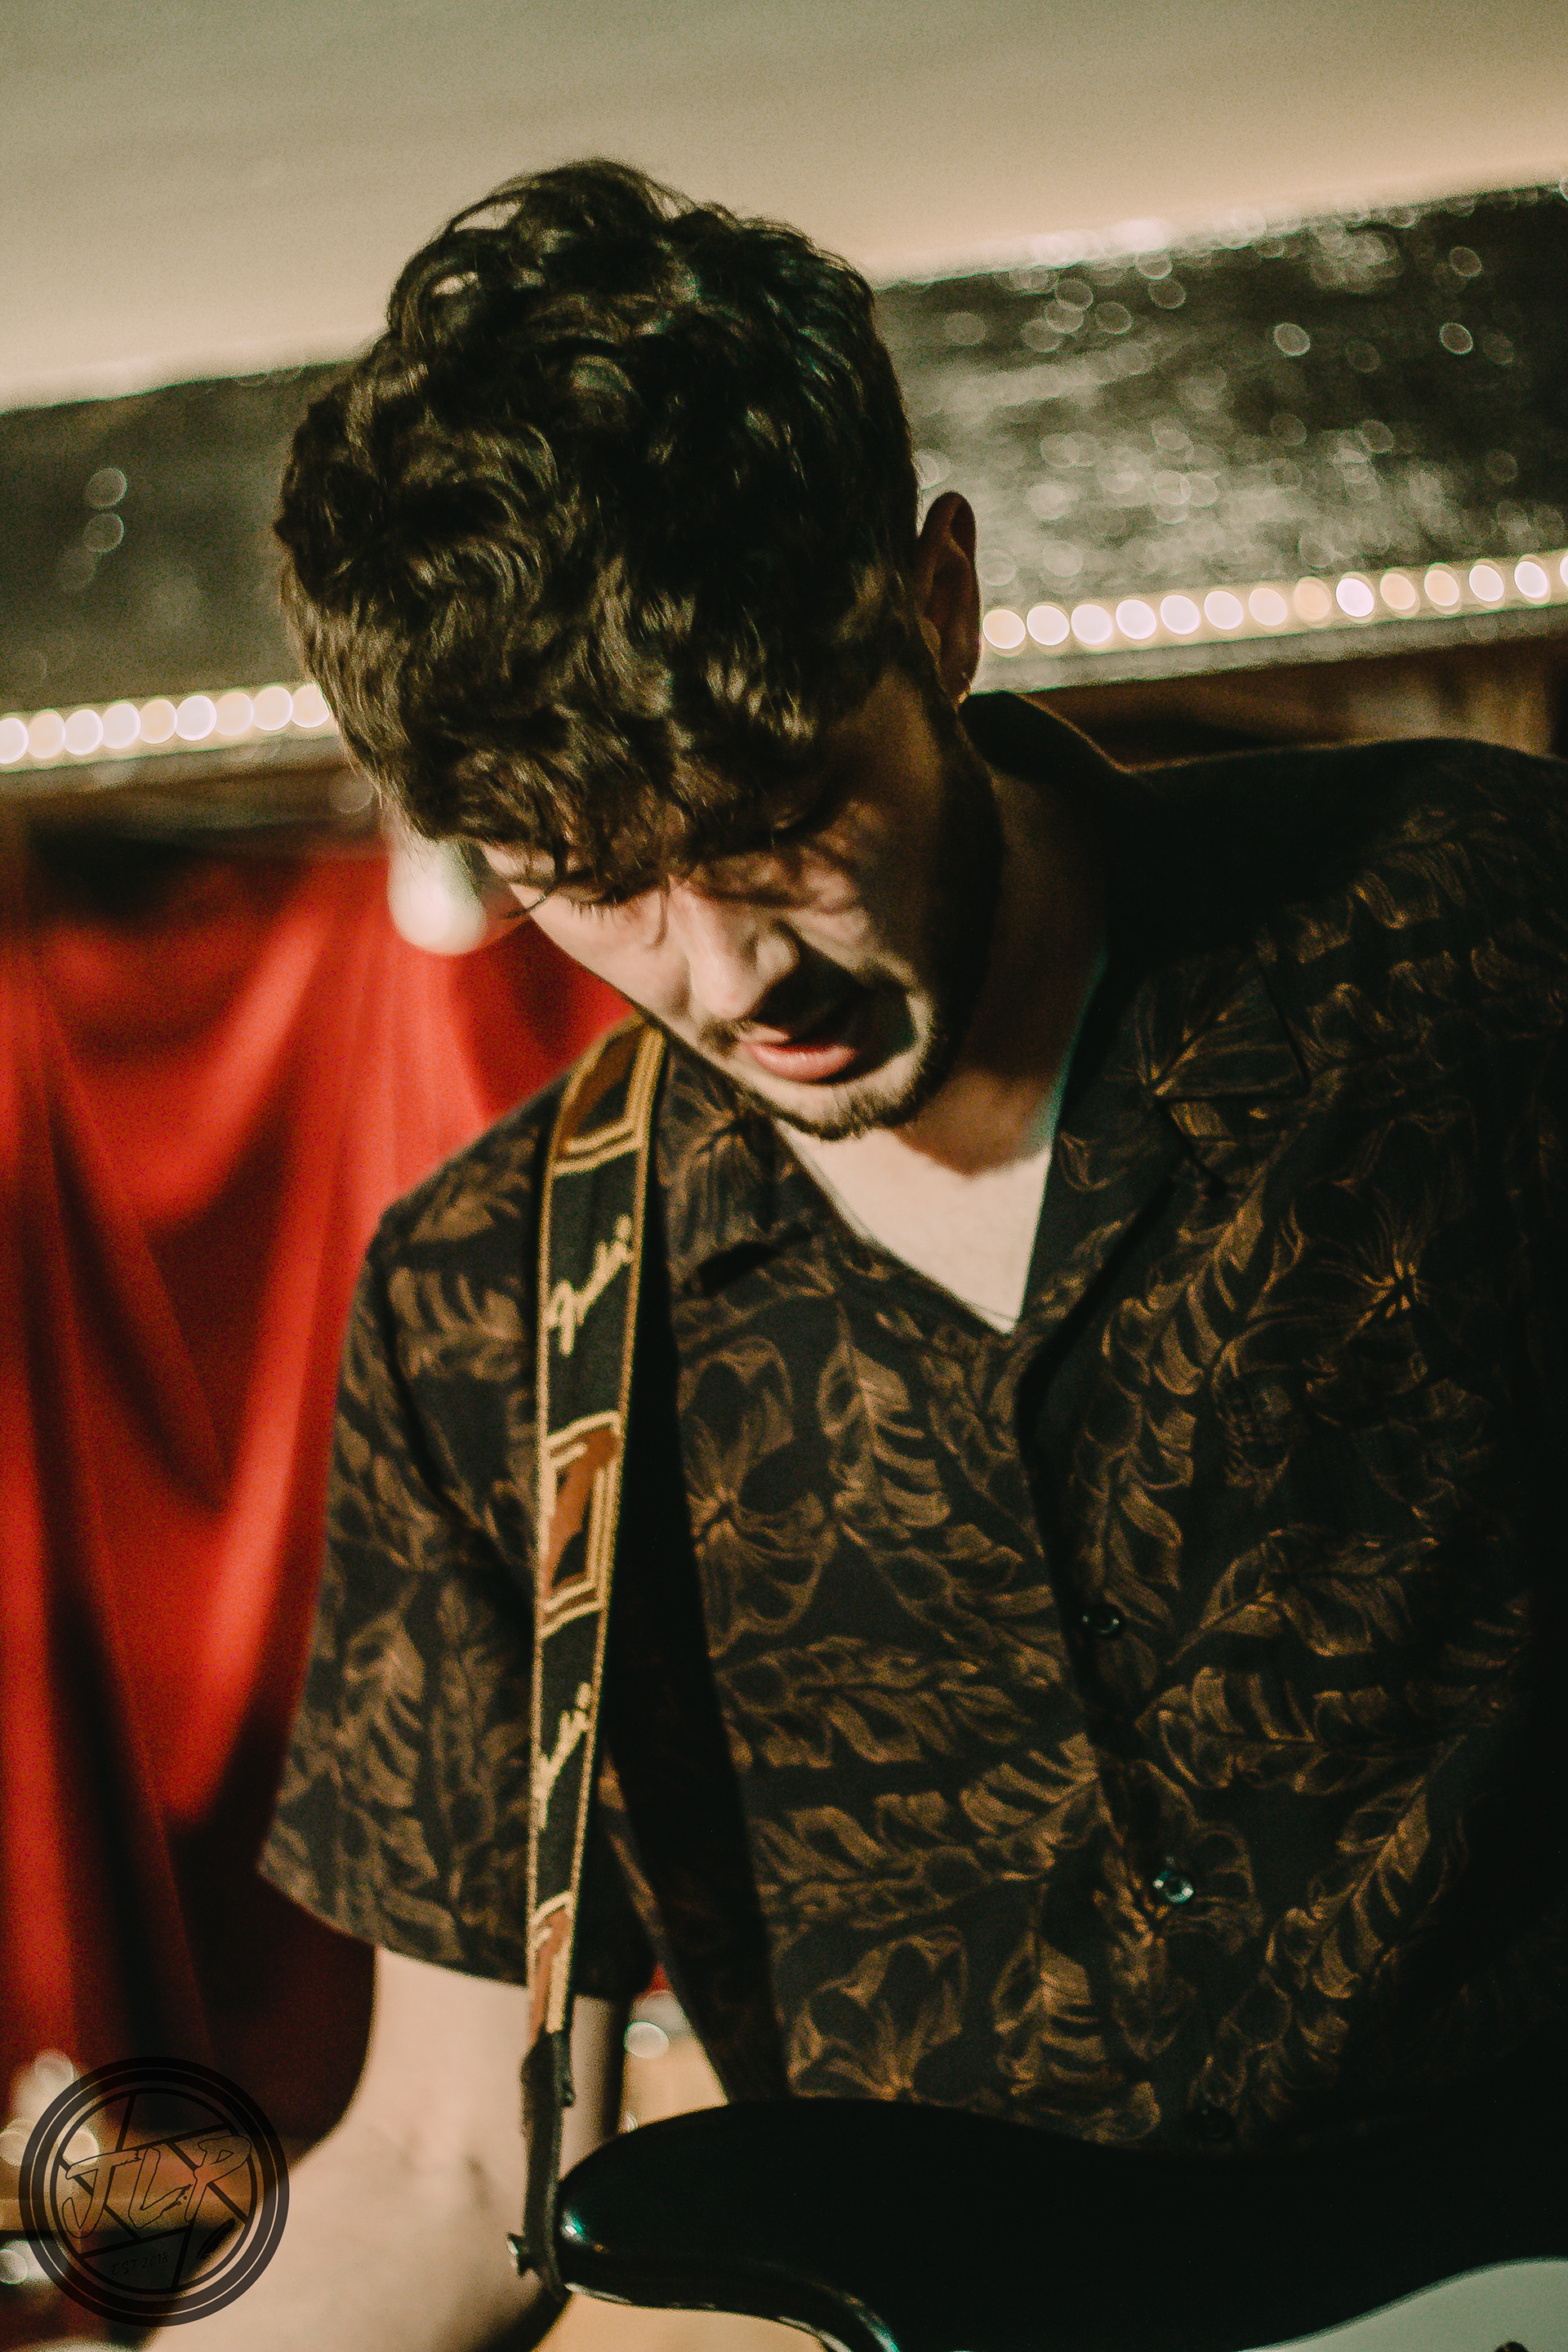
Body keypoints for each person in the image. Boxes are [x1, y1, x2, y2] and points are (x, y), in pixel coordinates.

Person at [189, 161, 1567, 2348]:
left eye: (774, 816)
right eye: (593, 881)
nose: (734, 967)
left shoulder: (1468, 944)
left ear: (939, 606)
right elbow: (449, 2159)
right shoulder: (487, 1308)